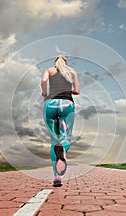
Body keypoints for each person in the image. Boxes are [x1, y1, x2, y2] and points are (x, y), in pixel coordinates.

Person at [41, 55, 80, 187]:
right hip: (67, 105)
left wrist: (45, 94)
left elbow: (43, 81)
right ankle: (62, 150)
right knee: (65, 138)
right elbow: (77, 91)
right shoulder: (72, 72)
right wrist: (69, 90)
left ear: (55, 62)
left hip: (50, 104)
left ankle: (57, 177)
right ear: (65, 62)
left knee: (54, 140)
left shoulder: (49, 70)